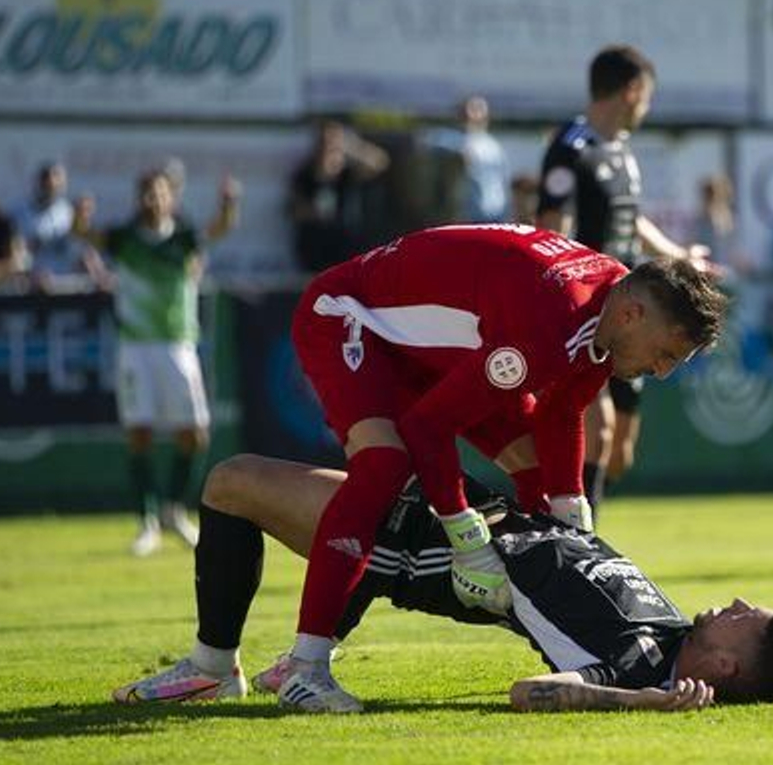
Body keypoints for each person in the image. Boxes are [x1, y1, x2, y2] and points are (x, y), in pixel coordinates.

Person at [281, 223, 726, 712]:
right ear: (632, 315)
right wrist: (465, 537)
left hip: (423, 347)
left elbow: (561, 412)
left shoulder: (610, 302)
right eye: (664, 355)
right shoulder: (551, 322)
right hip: (350, 315)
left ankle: (566, 635)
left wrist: (570, 511)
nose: (661, 372)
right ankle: (305, 667)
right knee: (384, 467)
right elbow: (430, 427)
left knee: (537, 473)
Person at [112, 454, 773, 711]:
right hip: (470, 512)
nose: (735, 602)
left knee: (227, 484)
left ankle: (217, 664)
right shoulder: (681, 639)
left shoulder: (640, 665)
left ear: (728, 666)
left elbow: (533, 692)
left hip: (424, 544)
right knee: (239, 479)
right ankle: (261, 659)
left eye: (744, 616)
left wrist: (650, 706)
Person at [535, 45, 709, 503]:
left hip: (638, 315)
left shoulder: (621, 151)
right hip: (595, 315)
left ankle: (571, 521)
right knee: (600, 429)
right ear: (632, 91)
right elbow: (551, 232)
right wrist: (564, 308)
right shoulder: (571, 149)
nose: (647, 107)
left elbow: (632, 220)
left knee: (619, 452)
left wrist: (678, 256)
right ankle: (575, 549)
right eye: (647, 96)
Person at [73, 167, 241, 557]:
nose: (154, 199)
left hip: (178, 345)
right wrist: (80, 218)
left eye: (161, 193)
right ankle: (146, 521)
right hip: (136, 348)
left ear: (172, 198)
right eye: (148, 192)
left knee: (195, 433)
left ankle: (173, 509)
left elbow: (220, 229)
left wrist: (229, 204)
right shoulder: (125, 238)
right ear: (140, 197)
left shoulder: (184, 239)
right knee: (140, 432)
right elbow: (85, 234)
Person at [288, 120, 391, 274]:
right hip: (314, 246)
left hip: (346, 246)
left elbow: (380, 163)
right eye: (323, 141)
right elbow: (294, 209)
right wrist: (312, 212)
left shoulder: (348, 173)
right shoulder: (305, 173)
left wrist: (350, 146)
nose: (327, 146)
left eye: (332, 141)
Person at [17, 161, 105, 290]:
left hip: (63, 285)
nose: (51, 184)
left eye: (56, 180)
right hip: (30, 284)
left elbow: (83, 251)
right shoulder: (19, 212)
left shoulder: (69, 213)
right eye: (47, 181)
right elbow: (17, 253)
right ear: (39, 183)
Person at [426, 95, 512, 224]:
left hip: (495, 215)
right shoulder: (448, 140)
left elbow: (502, 181)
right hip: (465, 217)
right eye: (471, 110)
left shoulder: (494, 146)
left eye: (478, 109)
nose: (473, 114)